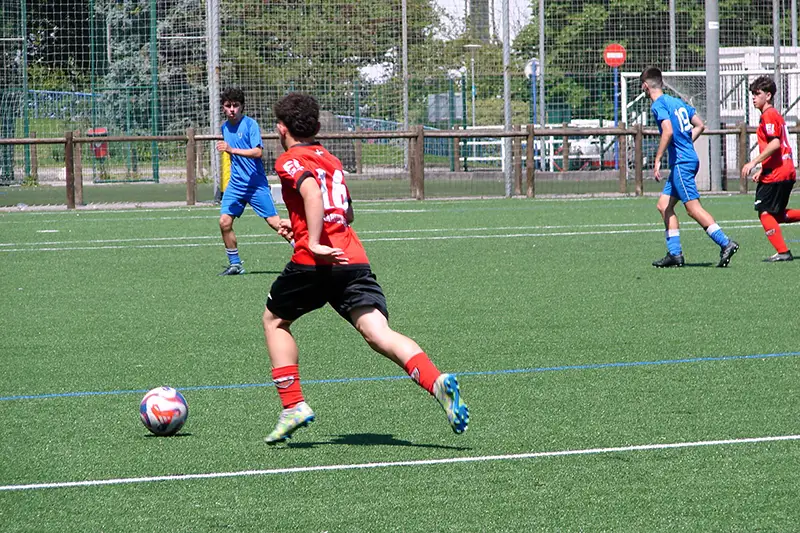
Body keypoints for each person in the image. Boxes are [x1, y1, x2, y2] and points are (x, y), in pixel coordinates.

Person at [261, 92, 468, 444]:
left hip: (316, 261)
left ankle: (293, 404)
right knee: (378, 333)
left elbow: (311, 194)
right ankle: (436, 382)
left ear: (282, 129)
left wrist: (310, 240)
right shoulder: (332, 160)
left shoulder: (289, 160)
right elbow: (346, 214)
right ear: (316, 126)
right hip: (352, 259)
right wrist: (296, 226)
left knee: (274, 320)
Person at [640, 66, 739, 268]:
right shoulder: (677, 102)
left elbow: (667, 131)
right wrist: (686, 143)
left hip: (682, 164)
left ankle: (725, 242)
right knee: (663, 206)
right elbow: (700, 125)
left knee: (693, 209)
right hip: (686, 161)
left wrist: (658, 158)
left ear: (645, 86)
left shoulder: (658, 104)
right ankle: (675, 254)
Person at [216, 87, 291, 276]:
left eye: (236, 105)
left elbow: (258, 152)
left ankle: (307, 254)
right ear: (223, 108)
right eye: (228, 106)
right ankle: (235, 264)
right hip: (236, 184)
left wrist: (232, 150)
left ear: (242, 107)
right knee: (224, 222)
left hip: (256, 184)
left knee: (275, 223)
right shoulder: (224, 128)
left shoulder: (250, 125)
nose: (232, 109)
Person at [741, 75, 800, 262]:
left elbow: (775, 143)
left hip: (778, 173)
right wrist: (763, 168)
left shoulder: (769, 115)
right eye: (752, 94)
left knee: (765, 212)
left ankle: (783, 252)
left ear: (768, 96)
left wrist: (754, 162)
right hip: (783, 169)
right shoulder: (773, 115)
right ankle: (782, 251)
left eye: (757, 94)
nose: (753, 98)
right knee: (776, 214)